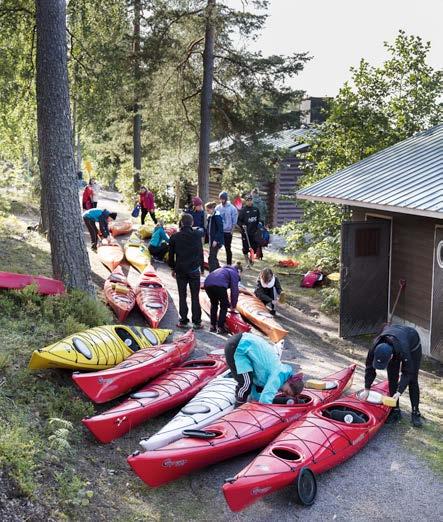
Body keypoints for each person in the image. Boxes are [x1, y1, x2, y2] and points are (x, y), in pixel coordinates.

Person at [360, 324, 423, 427]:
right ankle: (395, 410)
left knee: (412, 379)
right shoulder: (374, 347)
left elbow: (407, 372)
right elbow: (369, 368)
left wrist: (399, 391)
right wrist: (367, 388)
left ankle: (415, 412)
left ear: (391, 357)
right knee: (392, 378)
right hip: (394, 339)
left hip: (411, 341)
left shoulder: (404, 350)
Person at [224, 333, 304, 405]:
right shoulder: (278, 376)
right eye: (287, 391)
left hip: (243, 345)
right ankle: (238, 405)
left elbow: (257, 394)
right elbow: (265, 400)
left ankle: (241, 399)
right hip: (238, 347)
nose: (284, 393)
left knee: (253, 385)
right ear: (289, 382)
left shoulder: (279, 374)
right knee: (246, 383)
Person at [168, 213, 204, 329]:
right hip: (194, 270)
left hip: (181, 270)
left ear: (181, 223)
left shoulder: (174, 237)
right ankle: (197, 322)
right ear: (192, 223)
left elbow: (171, 256)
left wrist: (173, 268)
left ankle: (183, 320)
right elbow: (201, 252)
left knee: (182, 295)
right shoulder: (197, 235)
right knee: (195, 296)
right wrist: (202, 268)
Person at [204, 262, 242, 334]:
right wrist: (233, 306)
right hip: (219, 286)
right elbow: (234, 291)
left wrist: (229, 303)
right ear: (239, 271)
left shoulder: (222, 269)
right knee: (223, 306)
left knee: (214, 304)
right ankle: (220, 327)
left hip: (207, 285)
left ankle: (212, 325)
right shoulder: (234, 273)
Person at [237, 194, 260, 268]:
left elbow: (258, 220)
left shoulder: (256, 209)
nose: (249, 202)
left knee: (254, 248)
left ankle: (251, 259)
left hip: (254, 233)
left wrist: (260, 225)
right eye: (248, 200)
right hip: (245, 233)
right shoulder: (243, 210)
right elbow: (239, 221)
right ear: (245, 201)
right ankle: (247, 263)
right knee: (245, 248)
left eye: (251, 200)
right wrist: (242, 225)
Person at [216, 191, 238, 266]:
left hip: (228, 231)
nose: (221, 200)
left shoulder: (232, 208)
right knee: (216, 248)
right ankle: (215, 262)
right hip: (220, 231)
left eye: (223, 199)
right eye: (220, 199)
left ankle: (229, 264)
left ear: (226, 199)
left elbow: (234, 221)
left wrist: (232, 231)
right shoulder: (218, 208)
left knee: (227, 248)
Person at [205, 201, 224, 272]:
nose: (207, 212)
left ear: (212, 209)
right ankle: (218, 271)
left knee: (211, 258)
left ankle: (212, 273)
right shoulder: (210, 217)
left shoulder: (217, 217)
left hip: (216, 241)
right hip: (211, 240)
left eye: (208, 210)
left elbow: (220, 230)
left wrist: (216, 240)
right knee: (213, 257)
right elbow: (209, 228)